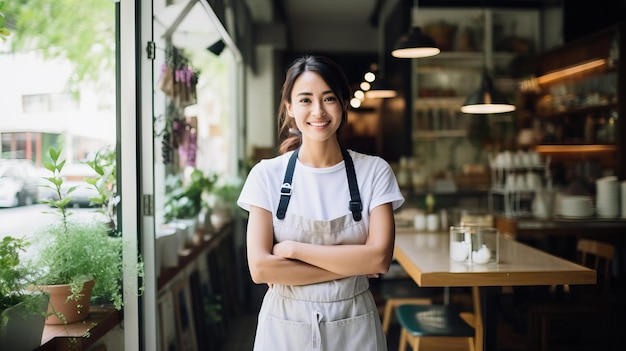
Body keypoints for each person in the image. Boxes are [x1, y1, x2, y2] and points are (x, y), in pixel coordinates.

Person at [237, 55, 405, 350]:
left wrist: (292, 250)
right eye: (305, 100)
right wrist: (353, 264)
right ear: (289, 107)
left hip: (354, 325)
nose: (318, 111)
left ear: (342, 103)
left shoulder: (374, 171)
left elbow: (379, 258)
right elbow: (261, 269)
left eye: (328, 98)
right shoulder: (266, 175)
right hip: (285, 326)